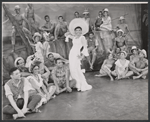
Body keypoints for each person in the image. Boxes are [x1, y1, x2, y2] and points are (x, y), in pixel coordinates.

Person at [67, 18, 92, 91]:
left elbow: (85, 47)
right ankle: (75, 84)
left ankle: (79, 85)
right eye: (76, 30)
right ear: (74, 31)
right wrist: (68, 34)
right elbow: (68, 35)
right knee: (72, 69)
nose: (78, 31)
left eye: (79, 30)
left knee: (76, 69)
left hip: (77, 54)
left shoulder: (82, 37)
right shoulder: (74, 37)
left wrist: (82, 55)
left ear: (81, 31)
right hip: (72, 53)